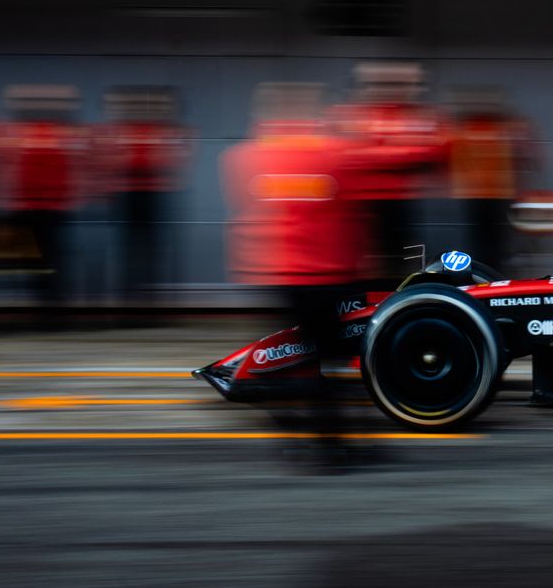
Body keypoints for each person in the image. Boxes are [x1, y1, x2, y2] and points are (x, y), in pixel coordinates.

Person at [223, 83, 382, 472]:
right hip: (328, 275)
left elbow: (246, 214)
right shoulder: (337, 154)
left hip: (275, 274)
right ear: (313, 112)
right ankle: (332, 445)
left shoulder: (245, 158)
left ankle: (295, 428)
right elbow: (357, 217)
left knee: (291, 357)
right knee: (331, 362)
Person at [331, 62, 451, 283]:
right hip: (361, 202)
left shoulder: (422, 116)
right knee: (365, 256)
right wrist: (402, 152)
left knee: (405, 254)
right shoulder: (351, 115)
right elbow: (343, 154)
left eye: (399, 84)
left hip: (405, 200)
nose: (391, 90)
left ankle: (403, 293)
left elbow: (436, 150)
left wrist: (377, 154)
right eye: (383, 84)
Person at [0, 84, 87, 318]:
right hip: (42, 206)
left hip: (40, 206)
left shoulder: (17, 133)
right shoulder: (59, 133)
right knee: (47, 259)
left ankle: (47, 306)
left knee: (43, 260)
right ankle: (48, 306)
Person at [94, 87, 190, 307]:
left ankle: (147, 300)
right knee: (133, 251)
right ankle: (133, 299)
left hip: (152, 195)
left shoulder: (167, 132)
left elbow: (176, 160)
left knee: (149, 251)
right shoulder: (118, 131)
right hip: (130, 195)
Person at [448, 85, 534, 271]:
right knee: (483, 243)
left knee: (493, 244)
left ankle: (491, 275)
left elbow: (527, 155)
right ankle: (486, 275)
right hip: (478, 195)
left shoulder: (506, 129)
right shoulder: (460, 130)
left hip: (493, 195)